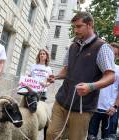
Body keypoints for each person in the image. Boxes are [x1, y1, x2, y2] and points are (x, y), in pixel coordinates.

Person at [46, 12, 115, 140]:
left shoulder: (102, 47)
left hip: (82, 107)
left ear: (89, 25)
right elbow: (66, 70)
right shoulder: (72, 46)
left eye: (78, 26)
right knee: (51, 135)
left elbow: (111, 77)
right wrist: (55, 77)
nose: (75, 30)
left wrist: (91, 86)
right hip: (61, 101)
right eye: (74, 27)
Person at [87, 42, 119, 140]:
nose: (112, 55)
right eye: (110, 52)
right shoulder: (97, 67)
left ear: (117, 56)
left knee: (108, 138)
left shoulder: (118, 70)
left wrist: (115, 106)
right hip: (94, 108)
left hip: (111, 110)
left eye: (115, 54)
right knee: (90, 137)